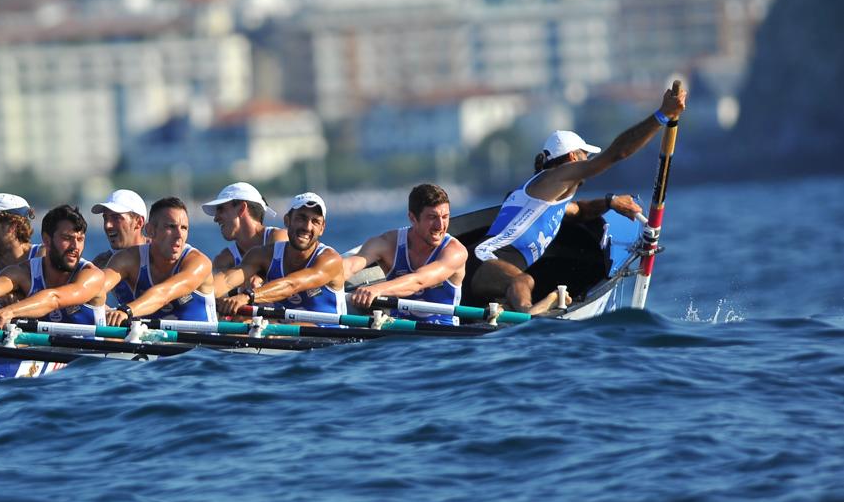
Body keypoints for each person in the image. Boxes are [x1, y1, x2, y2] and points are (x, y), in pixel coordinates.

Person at [472, 83, 687, 314]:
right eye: (585, 155)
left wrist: (609, 202)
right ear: (574, 157)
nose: (588, 159)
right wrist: (661, 116)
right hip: (485, 260)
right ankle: (530, 315)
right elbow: (617, 154)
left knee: (521, 283)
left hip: (493, 271)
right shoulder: (556, 176)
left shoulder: (544, 197)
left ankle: (510, 309)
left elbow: (579, 211)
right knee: (525, 282)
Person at [343, 183, 468, 324]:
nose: (440, 226)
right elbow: (350, 266)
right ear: (413, 218)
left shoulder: (455, 252)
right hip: (399, 338)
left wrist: (376, 289)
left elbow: (418, 281)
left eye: (445, 217)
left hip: (443, 339)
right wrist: (319, 279)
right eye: (432, 217)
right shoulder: (387, 243)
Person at [0, 204, 106, 329]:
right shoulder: (22, 272)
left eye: (80, 239)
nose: (75, 247)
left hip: (92, 354)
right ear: (46, 240)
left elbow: (54, 299)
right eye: (67, 238)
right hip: (44, 354)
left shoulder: (92, 275)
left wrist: (9, 311)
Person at [216, 193, 346, 323]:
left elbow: (292, 285)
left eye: (315, 222)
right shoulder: (262, 255)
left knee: (272, 332)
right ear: (287, 221)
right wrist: (203, 293)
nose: (307, 227)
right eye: (301, 218)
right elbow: (227, 280)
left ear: (322, 228)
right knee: (240, 323)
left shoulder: (330, 259)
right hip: (284, 332)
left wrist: (247, 297)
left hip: (329, 333)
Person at [102, 197, 216, 326]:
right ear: (150, 230)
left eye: (184, 228)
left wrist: (126, 311)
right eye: (171, 227)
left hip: (202, 345)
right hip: (151, 343)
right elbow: (96, 289)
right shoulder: (126, 260)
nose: (179, 235)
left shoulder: (199, 263)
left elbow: (164, 294)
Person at [202, 182, 287, 297]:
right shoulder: (224, 259)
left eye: (221, 209)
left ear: (242, 208)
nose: (216, 218)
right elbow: (210, 291)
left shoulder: (279, 237)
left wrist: (259, 277)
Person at [89, 188, 148, 268]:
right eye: (105, 218)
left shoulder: (159, 256)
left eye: (116, 218)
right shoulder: (100, 264)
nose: (107, 225)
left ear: (139, 222)